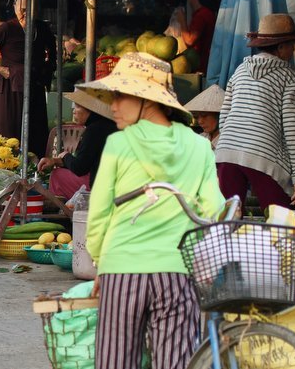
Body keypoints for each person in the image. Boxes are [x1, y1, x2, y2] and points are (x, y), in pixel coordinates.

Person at [78, 53, 224, 369]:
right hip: (177, 272)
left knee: (116, 362)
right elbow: (214, 209)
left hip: (122, 270)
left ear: (146, 99)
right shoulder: (200, 146)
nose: (112, 106)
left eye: (119, 96)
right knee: (175, 363)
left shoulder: (118, 144)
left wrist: (101, 261)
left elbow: (99, 212)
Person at [216, 13, 295, 211]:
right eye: (292, 44)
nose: (293, 50)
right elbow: (292, 128)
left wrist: (235, 141)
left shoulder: (240, 70)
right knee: (280, 220)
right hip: (262, 152)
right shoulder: (288, 76)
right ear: (281, 47)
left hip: (227, 151)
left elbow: (224, 116)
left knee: (227, 221)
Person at [0, 0, 56, 160]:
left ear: (38, 9)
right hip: (11, 87)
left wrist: (46, 72)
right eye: (23, 9)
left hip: (35, 85)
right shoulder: (8, 28)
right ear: (15, 8)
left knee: (36, 132)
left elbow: (52, 52)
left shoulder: (42, 28)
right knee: (11, 134)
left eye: (31, 9)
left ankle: (35, 170)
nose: (26, 13)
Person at [36, 89, 118, 200]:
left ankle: (62, 212)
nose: (74, 111)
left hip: (102, 185)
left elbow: (80, 167)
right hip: (113, 181)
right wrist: (55, 160)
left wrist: (65, 155)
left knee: (57, 175)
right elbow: (87, 161)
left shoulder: (94, 130)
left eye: (78, 107)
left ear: (91, 110)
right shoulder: (109, 125)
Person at [175, 0, 217, 73]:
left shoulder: (202, 14)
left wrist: (182, 21)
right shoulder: (207, 13)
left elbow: (189, 40)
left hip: (202, 68)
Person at [183, 84, 224, 149]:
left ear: (219, 115)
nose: (200, 121)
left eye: (204, 116)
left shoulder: (227, 143)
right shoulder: (199, 139)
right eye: (196, 117)